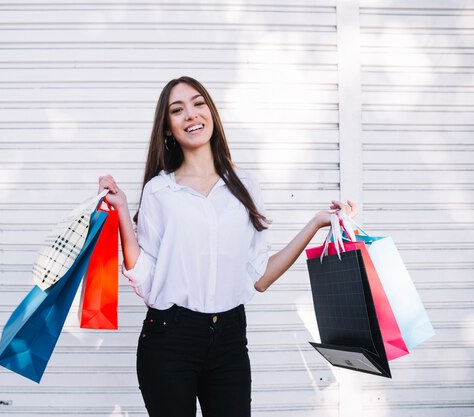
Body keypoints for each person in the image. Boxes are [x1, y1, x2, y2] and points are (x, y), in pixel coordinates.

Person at [97, 76, 357, 417]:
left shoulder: (245, 185)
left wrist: (315, 223)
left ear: (212, 115)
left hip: (230, 341)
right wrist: (120, 212)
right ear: (168, 128)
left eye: (198, 104)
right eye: (178, 110)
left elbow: (259, 276)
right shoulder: (159, 191)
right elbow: (145, 278)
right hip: (168, 340)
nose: (190, 115)